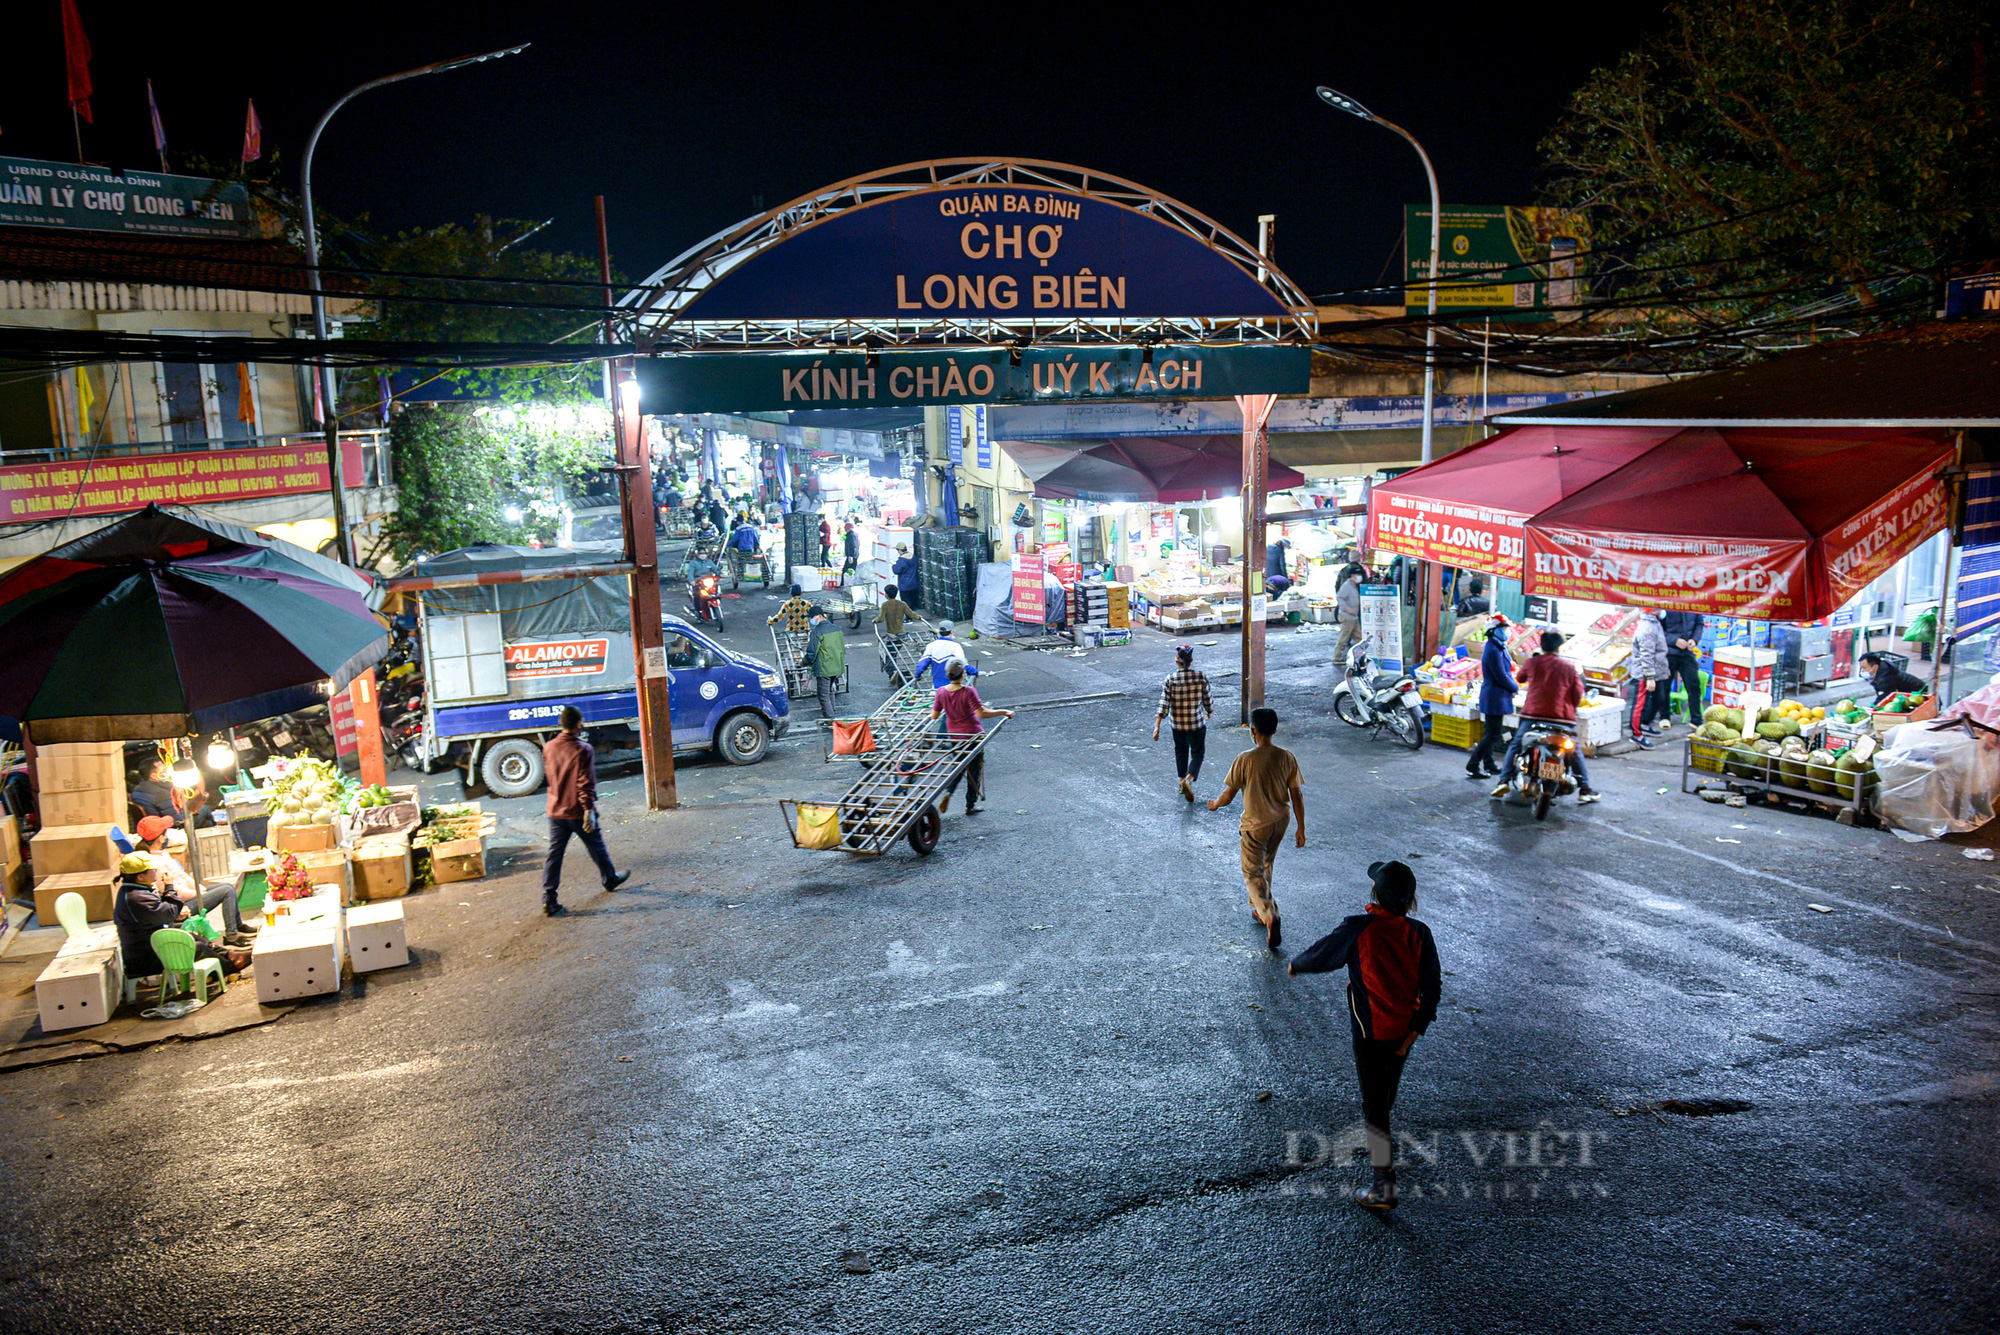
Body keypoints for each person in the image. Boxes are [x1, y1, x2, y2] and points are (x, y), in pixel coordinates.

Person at [1287, 859, 1441, 1212]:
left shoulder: (1359, 927)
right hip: (1404, 1032)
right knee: (1384, 1094)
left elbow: (1323, 953)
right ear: (1410, 901)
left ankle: (1382, 1185)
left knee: (1374, 1105)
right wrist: (1413, 1033)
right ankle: (1378, 1135)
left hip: (1370, 1033)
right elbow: (1432, 988)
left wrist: (1297, 963)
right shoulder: (1420, 933)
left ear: (1375, 893)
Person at [1208, 707, 1304, 951]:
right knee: (1266, 863)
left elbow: (1228, 795)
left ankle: (1269, 913)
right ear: (1275, 729)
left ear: (1252, 731)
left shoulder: (1245, 759)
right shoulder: (1287, 757)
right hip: (1280, 822)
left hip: (1254, 825)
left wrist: (1214, 805)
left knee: (1252, 872)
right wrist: (1301, 828)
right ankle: (1260, 909)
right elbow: (1297, 795)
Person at [540, 705, 630, 918]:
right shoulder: (583, 749)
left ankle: (549, 899)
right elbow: (585, 783)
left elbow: (551, 779)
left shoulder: (549, 747)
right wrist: (588, 809)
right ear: (579, 724)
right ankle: (609, 879)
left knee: (554, 856)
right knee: (596, 846)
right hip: (577, 811)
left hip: (556, 811)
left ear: (561, 724)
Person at [1491, 629, 1599, 804]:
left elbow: (1520, 677)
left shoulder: (1532, 662)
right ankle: (1585, 789)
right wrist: (1571, 705)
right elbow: (1578, 693)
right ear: (1558, 647)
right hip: (1562, 718)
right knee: (1575, 751)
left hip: (1533, 716)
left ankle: (1503, 781)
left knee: (1516, 745)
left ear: (1541, 645)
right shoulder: (1569, 668)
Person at [113, 853, 248, 985]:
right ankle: (230, 967)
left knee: (191, 936)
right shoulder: (136, 897)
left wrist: (175, 909)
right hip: (146, 958)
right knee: (196, 948)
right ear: (141, 876)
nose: (156, 872)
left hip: (151, 947)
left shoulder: (135, 892)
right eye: (152, 870)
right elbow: (168, 915)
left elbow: (164, 913)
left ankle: (229, 955)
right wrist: (169, 887)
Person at [932, 660, 1013, 814]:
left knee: (959, 767)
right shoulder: (968, 691)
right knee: (974, 770)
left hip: (955, 737)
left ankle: (948, 793)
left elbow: (934, 715)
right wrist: (1004, 711)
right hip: (972, 736)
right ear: (963, 674)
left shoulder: (941, 691)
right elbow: (981, 713)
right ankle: (970, 805)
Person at [1152, 643, 1215, 803]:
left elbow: (1163, 704)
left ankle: (1182, 782)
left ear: (1177, 661)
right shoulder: (1200, 676)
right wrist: (1209, 711)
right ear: (1191, 660)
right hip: (1196, 723)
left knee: (1180, 751)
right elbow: (1207, 699)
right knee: (1198, 753)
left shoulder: (1171, 679)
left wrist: (1157, 725)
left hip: (1177, 725)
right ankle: (1189, 779)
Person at [1465, 614, 1517, 780]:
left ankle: (1489, 764)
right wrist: (1514, 686)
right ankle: (1473, 765)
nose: (1507, 631)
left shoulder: (1498, 646)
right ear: (1495, 630)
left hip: (1497, 695)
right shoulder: (1493, 649)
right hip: (1495, 696)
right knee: (1493, 734)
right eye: (1504, 628)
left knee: (1491, 733)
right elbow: (1500, 676)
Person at [1627, 609, 1669, 749]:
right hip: (1644, 674)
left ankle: (1645, 724)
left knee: (1659, 699)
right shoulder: (1647, 628)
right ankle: (1636, 734)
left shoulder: (1655, 623)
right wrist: (1649, 677)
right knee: (1640, 704)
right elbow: (1647, 654)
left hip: (1657, 671)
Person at [1659, 610, 1706, 727]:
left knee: (1694, 685)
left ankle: (1696, 720)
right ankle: (1664, 717)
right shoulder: (1666, 605)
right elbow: (1658, 631)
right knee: (1664, 686)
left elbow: (1699, 624)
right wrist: (1674, 640)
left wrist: (1694, 639)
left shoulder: (1693, 604)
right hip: (1669, 652)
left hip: (1687, 653)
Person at [805, 607, 847, 716]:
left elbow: (812, 652)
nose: (810, 620)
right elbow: (842, 649)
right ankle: (832, 713)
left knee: (823, 695)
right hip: (837, 666)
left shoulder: (817, 632)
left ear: (819, 616)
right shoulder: (837, 629)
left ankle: (830, 719)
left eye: (811, 617)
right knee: (829, 690)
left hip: (824, 668)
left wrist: (804, 662)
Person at [914, 622, 976, 689]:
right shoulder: (955, 646)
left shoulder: (931, 646)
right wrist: (976, 672)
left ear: (940, 632)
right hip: (953, 687)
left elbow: (922, 664)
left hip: (937, 688)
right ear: (952, 632)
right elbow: (963, 665)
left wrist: (917, 675)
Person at [1860, 652, 1926, 704]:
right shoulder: (1880, 670)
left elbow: (1885, 696)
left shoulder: (1885, 678)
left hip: (1918, 693)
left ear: (1875, 667)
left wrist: (1872, 709)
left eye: (1864, 668)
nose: (1861, 671)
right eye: (1861, 668)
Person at [130, 756, 179, 825]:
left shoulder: (137, 790)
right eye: (163, 770)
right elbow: (177, 819)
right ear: (153, 776)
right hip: (169, 825)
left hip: (153, 824)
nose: (166, 772)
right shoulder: (160, 793)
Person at [1331, 567, 1364, 667]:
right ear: (1352, 576)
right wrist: (1347, 609)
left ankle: (1363, 657)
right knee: (1343, 638)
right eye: (1357, 575)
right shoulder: (1347, 586)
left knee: (1360, 638)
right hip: (1347, 616)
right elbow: (1340, 598)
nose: (1359, 577)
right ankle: (1336, 658)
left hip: (1353, 617)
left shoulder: (1353, 586)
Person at [1264, 532, 1294, 597]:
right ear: (1283, 544)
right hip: (1277, 574)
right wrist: (1286, 578)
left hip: (1268, 574)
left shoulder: (1268, 547)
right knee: (1278, 594)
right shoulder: (1280, 551)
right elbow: (1282, 566)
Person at [893, 543, 919, 609]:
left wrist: (893, 565)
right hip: (913, 583)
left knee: (905, 602)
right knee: (912, 601)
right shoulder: (913, 557)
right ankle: (912, 614)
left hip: (904, 585)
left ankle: (908, 618)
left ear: (900, 550)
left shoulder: (902, 561)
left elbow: (896, 571)